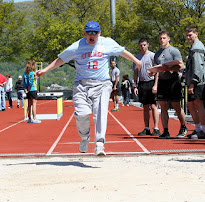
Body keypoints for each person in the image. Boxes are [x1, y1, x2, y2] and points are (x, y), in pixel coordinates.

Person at [37, 20, 142, 155]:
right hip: (82, 84)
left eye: (95, 33)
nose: (92, 36)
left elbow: (122, 51)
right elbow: (62, 59)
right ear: (84, 33)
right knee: (82, 114)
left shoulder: (107, 42)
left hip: (102, 84)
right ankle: (85, 137)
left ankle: (99, 143)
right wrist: (45, 70)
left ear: (99, 33)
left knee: (100, 112)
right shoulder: (77, 46)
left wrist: (137, 61)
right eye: (89, 33)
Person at [153, 30, 188, 138]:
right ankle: (166, 131)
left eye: (164, 38)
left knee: (176, 105)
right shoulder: (157, 54)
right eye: (160, 38)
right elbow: (156, 68)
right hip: (162, 81)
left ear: (168, 39)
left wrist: (169, 67)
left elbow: (181, 66)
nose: (162, 40)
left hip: (173, 80)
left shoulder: (174, 51)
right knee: (163, 107)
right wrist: (153, 72)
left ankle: (183, 126)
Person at [185, 26, 205, 139]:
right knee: (190, 104)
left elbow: (197, 67)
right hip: (194, 81)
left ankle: (204, 131)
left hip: (198, 82)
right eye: (187, 35)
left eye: (190, 35)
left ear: (196, 34)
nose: (188, 37)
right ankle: (198, 128)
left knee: (198, 104)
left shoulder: (197, 48)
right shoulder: (194, 47)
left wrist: (192, 83)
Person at [133, 38, 161, 136]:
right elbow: (135, 73)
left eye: (144, 45)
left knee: (153, 106)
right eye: (141, 45)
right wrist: (135, 86)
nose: (143, 47)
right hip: (142, 83)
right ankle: (146, 127)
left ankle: (156, 128)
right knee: (145, 106)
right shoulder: (137, 58)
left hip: (151, 82)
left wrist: (155, 85)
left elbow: (157, 71)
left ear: (148, 45)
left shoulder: (153, 56)